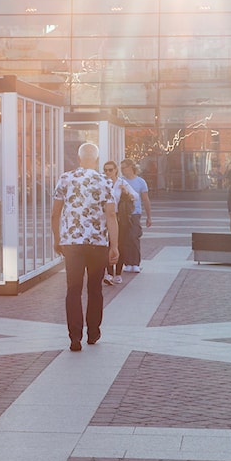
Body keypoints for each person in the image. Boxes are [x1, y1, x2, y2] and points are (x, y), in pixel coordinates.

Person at [51, 143, 119, 352]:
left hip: (72, 242)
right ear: (97, 160)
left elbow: (55, 213)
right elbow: (111, 215)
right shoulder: (105, 181)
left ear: (78, 159)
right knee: (95, 289)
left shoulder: (65, 179)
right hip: (97, 244)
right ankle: (93, 333)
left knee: (73, 289)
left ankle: (74, 337)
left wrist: (57, 238)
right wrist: (114, 246)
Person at [101, 160, 139, 284]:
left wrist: (126, 192)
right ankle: (109, 274)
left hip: (119, 217)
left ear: (116, 170)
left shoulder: (122, 183)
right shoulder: (102, 183)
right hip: (105, 217)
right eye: (105, 170)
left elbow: (135, 196)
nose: (108, 172)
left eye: (110, 170)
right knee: (107, 244)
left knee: (119, 244)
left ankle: (118, 273)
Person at [120, 158, 152, 273]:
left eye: (124, 167)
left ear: (131, 167)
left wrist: (149, 216)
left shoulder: (140, 182)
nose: (122, 170)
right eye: (121, 168)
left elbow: (145, 199)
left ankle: (135, 262)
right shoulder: (121, 181)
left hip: (135, 213)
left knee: (134, 237)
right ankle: (127, 262)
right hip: (123, 213)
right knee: (125, 239)